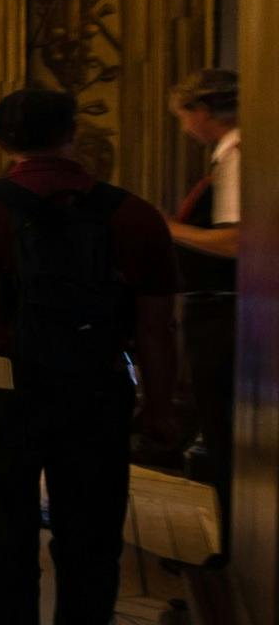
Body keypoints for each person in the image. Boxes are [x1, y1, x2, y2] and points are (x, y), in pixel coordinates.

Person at [0, 89, 177, 625]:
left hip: (1, 385)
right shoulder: (133, 213)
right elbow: (157, 327)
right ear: (73, 134)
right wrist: (159, 405)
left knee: (4, 532)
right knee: (90, 538)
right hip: (95, 386)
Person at [166, 69, 240, 561]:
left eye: (184, 115)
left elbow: (237, 241)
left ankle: (236, 553)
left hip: (226, 314)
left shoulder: (236, 153)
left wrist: (167, 228)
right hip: (218, 310)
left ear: (204, 111)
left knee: (225, 433)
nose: (184, 126)